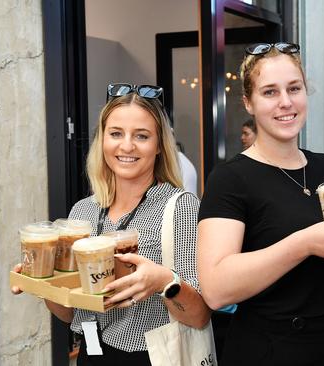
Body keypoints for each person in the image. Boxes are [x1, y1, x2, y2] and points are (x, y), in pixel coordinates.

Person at [197, 42, 324, 366]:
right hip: (272, 351)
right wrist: (305, 243)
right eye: (269, 92)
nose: (286, 102)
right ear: (248, 103)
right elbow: (215, 288)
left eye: (294, 88)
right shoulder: (229, 179)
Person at [12, 83, 211, 365]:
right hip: (90, 354)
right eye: (116, 133)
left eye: (141, 136)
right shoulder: (82, 213)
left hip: (154, 356)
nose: (126, 146)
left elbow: (199, 315)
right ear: (102, 140)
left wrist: (165, 280)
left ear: (158, 146)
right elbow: (71, 313)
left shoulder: (181, 207)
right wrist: (42, 283)